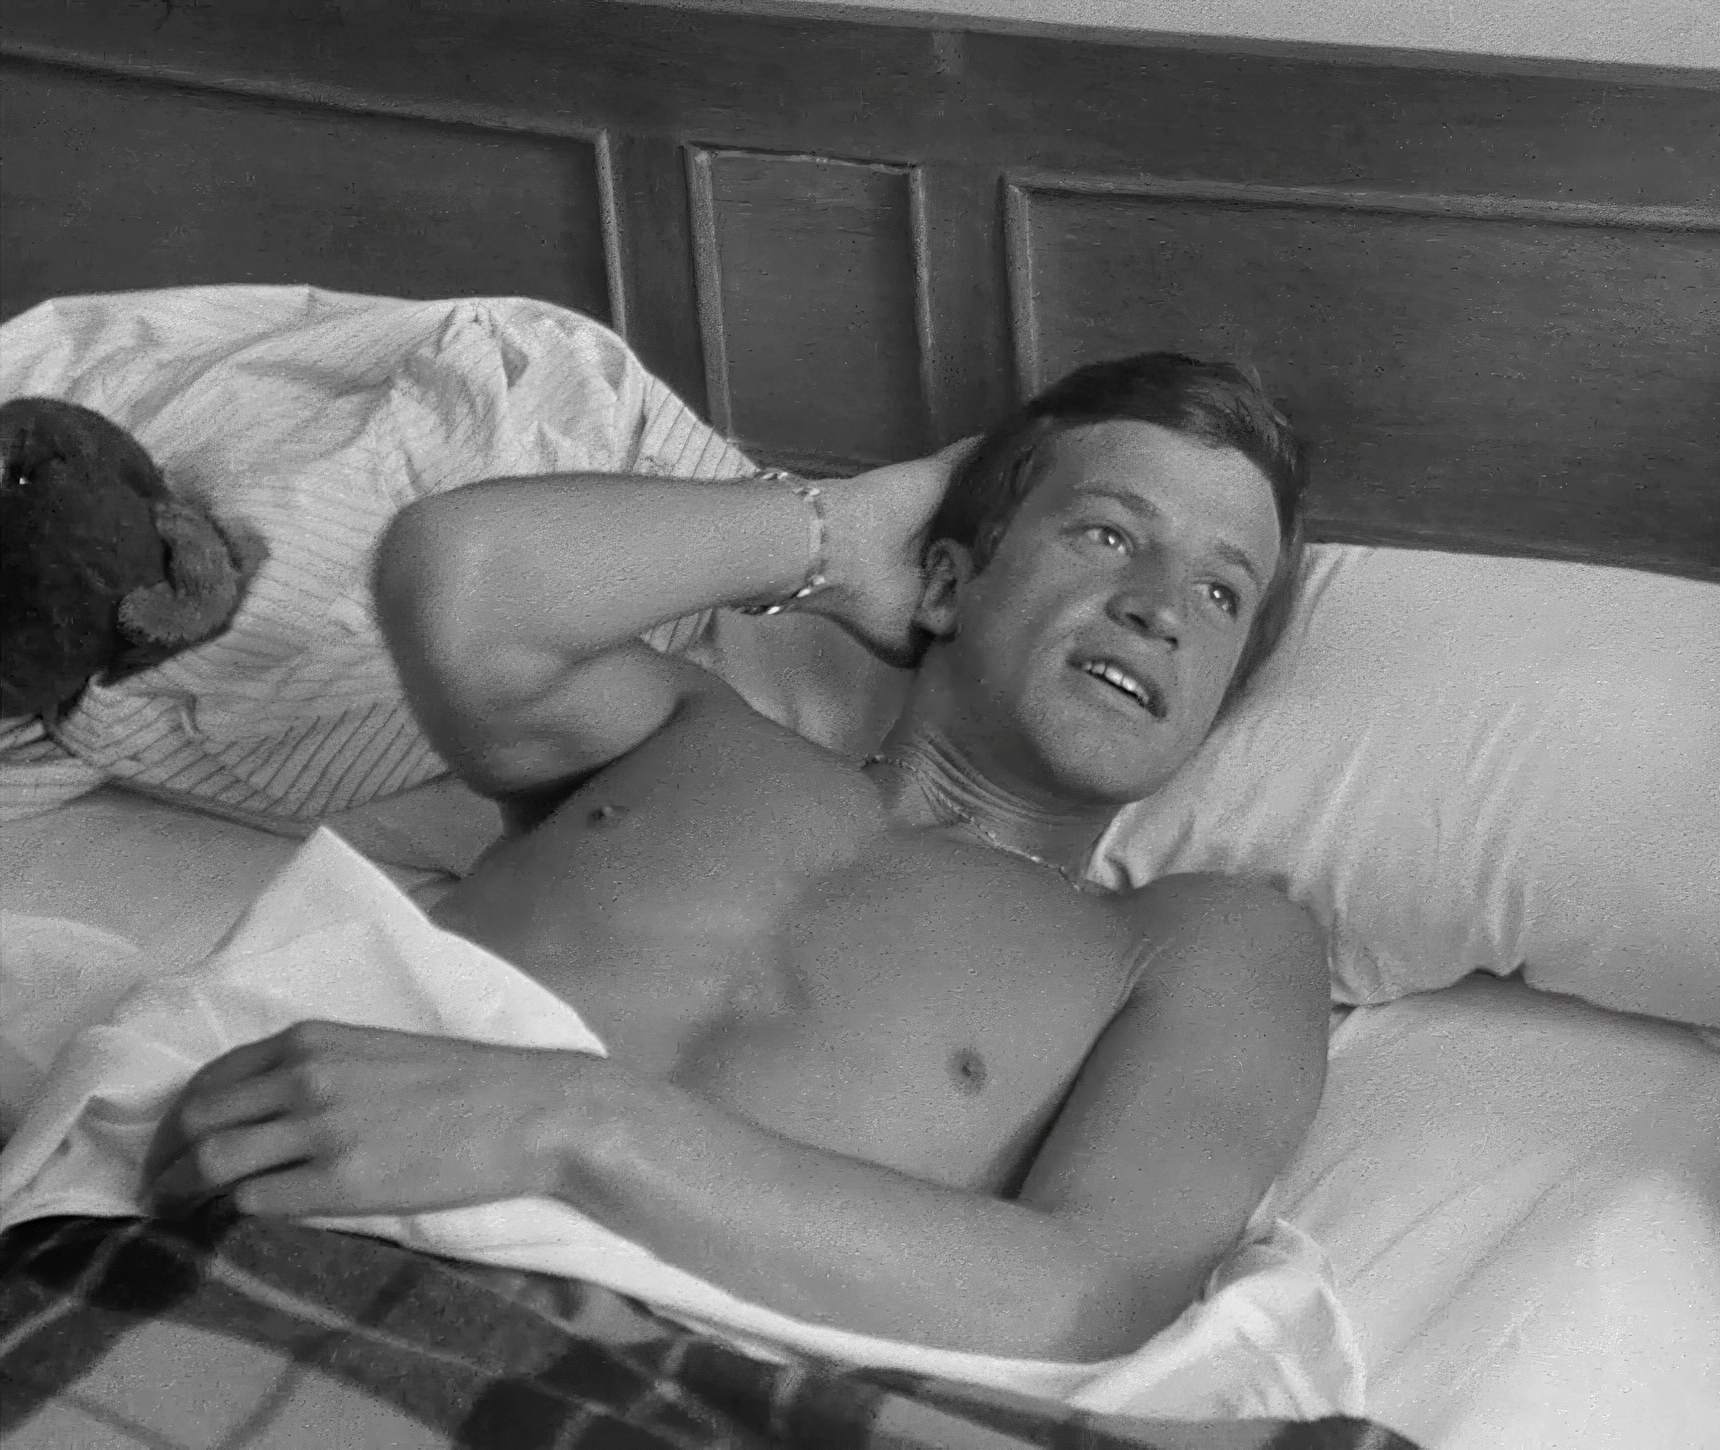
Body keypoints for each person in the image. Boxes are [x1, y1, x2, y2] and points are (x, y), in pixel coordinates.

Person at [141, 353, 1331, 1363]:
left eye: (1220, 593)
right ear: (947, 581)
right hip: (264, 1240)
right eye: (1107, 532)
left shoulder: (1196, 941)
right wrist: (836, 536)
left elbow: (1090, 1292)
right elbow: (456, 573)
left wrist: (572, 1123)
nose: (1158, 605)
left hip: (666, 1385)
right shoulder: (686, 731)